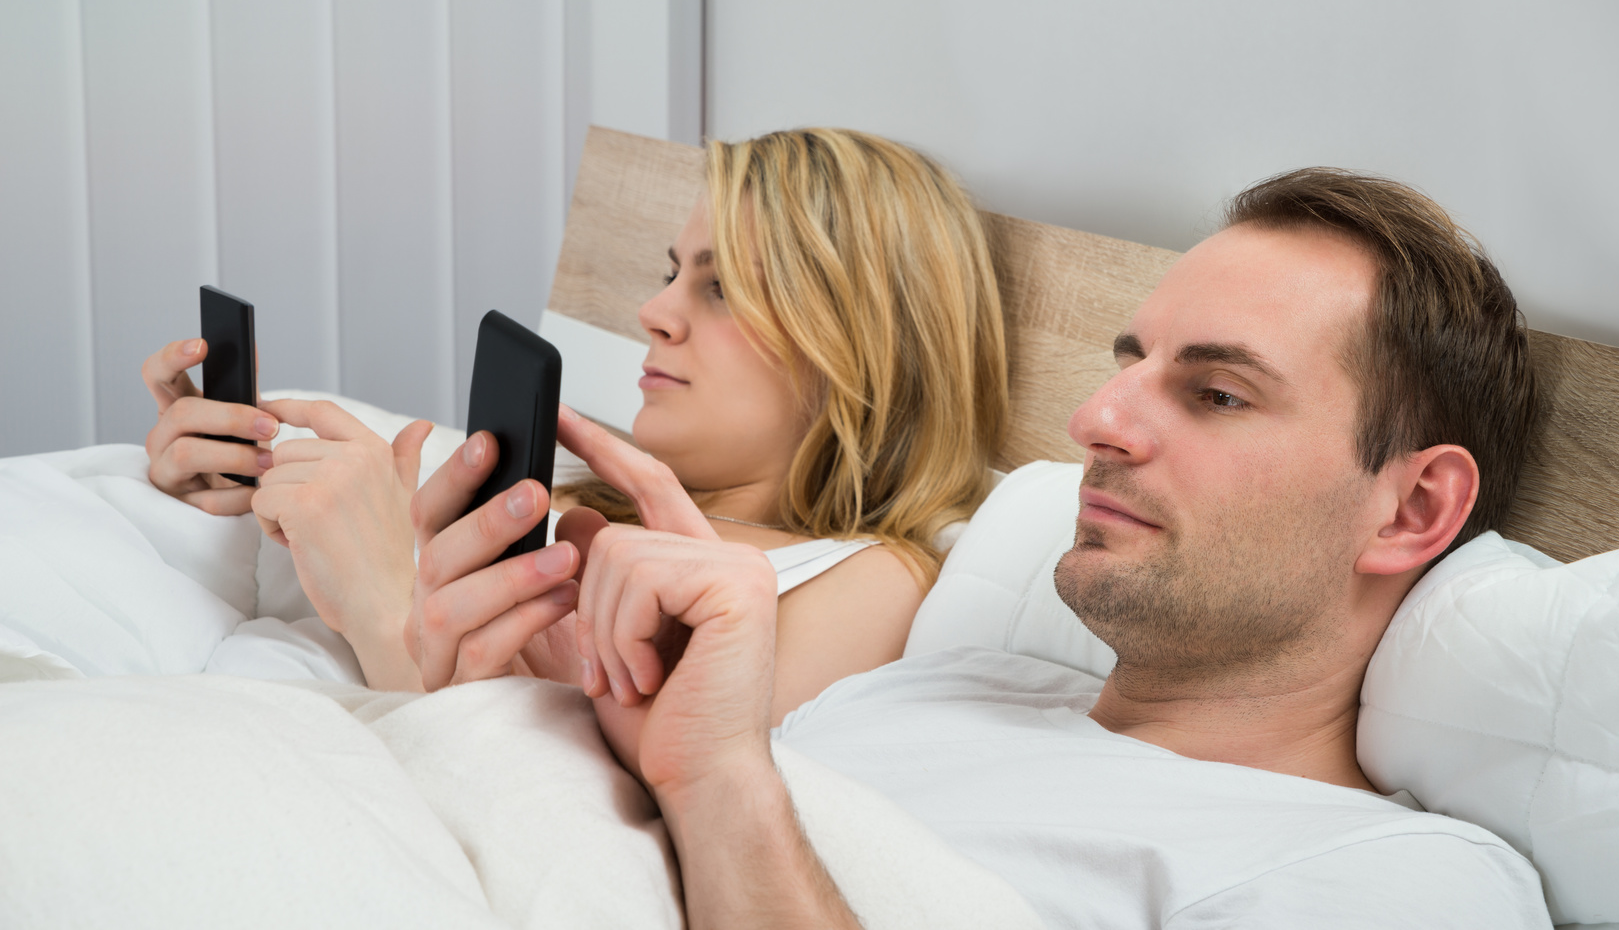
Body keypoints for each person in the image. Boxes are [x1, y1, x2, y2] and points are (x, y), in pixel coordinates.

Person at [410, 167, 1553, 928]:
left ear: (1409, 512)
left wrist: (717, 786)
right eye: (1126, 364)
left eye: (1213, 392)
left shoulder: (1395, 883)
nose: (1097, 422)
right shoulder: (943, 687)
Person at [139, 128, 1008, 702]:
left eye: (723, 288)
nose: (655, 313)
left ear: (858, 346)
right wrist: (236, 484)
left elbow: (626, 820)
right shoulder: (555, 498)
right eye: (671, 273)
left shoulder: (863, 581)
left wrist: (381, 605)